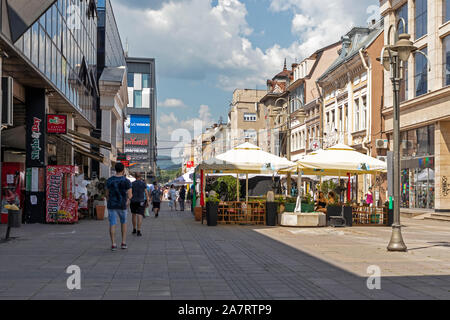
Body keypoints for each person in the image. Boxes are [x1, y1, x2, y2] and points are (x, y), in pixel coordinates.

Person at [106, 163, 132, 251]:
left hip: (112, 204)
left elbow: (107, 193)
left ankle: (113, 244)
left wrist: (109, 200)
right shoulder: (126, 181)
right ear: (123, 170)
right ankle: (123, 243)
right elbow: (130, 195)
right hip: (122, 204)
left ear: (115, 169)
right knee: (123, 222)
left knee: (112, 223)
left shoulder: (109, 180)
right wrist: (128, 200)